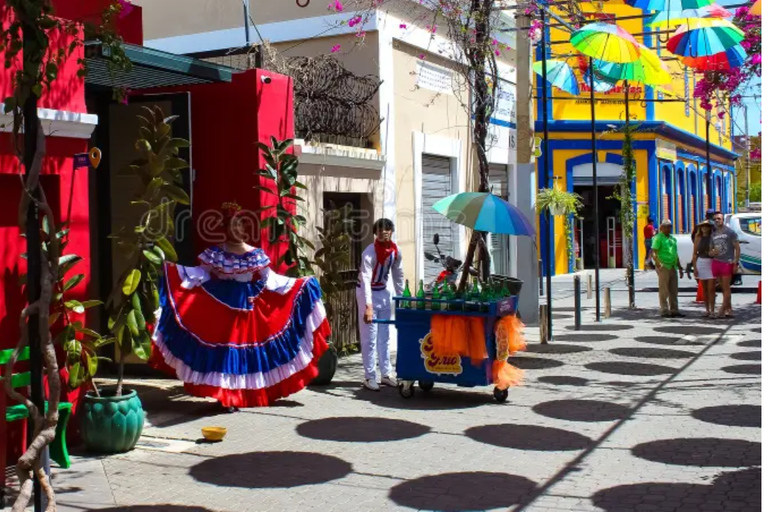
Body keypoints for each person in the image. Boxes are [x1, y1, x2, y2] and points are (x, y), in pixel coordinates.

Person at [149, 202, 331, 411]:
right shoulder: (215, 253)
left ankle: (242, 394)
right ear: (225, 229)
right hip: (221, 307)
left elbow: (269, 280)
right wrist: (174, 271)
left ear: (244, 228)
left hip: (249, 306)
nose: (236, 230)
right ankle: (225, 396)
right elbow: (201, 274)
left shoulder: (255, 253)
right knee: (226, 354)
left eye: (239, 226)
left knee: (246, 354)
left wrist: (300, 284)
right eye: (231, 226)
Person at [357, 218, 404, 391]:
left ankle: (386, 374)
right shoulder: (369, 253)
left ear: (391, 231)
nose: (384, 232)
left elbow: (398, 276)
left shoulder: (395, 251)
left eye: (387, 229)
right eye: (380, 230)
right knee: (370, 337)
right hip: (366, 292)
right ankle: (369, 376)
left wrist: (403, 299)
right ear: (375, 233)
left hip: (384, 292)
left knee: (385, 336)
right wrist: (368, 306)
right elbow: (366, 280)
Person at [651, 219, 685, 318]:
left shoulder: (672, 239)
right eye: (666, 226)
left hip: (672, 265)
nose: (668, 228)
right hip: (664, 265)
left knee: (673, 289)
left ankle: (674, 310)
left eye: (670, 226)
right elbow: (653, 252)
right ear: (661, 227)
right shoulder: (658, 238)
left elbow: (675, 253)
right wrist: (658, 263)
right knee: (664, 289)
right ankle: (664, 310)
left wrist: (679, 267)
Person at [710, 212, 740, 318]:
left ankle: (722, 309)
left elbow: (737, 247)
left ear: (723, 220)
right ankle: (729, 308)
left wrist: (735, 262)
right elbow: (710, 250)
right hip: (716, 261)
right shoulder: (713, 234)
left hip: (727, 261)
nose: (717, 221)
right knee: (722, 287)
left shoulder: (730, 232)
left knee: (726, 287)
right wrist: (712, 252)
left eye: (719, 218)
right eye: (715, 219)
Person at [692, 220, 716, 318]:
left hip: (711, 262)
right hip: (701, 262)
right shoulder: (698, 238)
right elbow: (694, 254)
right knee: (705, 289)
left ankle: (713, 310)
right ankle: (707, 310)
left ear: (710, 228)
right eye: (703, 227)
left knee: (711, 289)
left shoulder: (713, 237)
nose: (704, 228)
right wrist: (695, 268)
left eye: (706, 226)